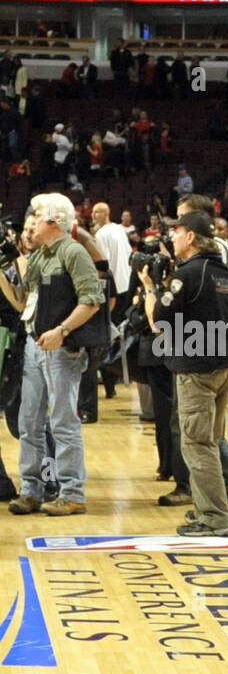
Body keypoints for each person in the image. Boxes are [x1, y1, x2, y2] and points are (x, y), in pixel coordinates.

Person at [139, 211, 228, 536]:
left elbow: (160, 321)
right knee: (209, 442)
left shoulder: (188, 274)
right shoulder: (222, 272)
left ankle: (214, 518)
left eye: (177, 231)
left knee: (197, 445)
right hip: (223, 366)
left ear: (192, 237)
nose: (172, 237)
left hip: (196, 369)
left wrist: (150, 288)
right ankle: (205, 511)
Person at [1, 194, 103, 516]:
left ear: (55, 220)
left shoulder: (74, 253)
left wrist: (62, 331)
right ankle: (32, 490)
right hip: (34, 345)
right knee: (29, 423)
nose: (33, 218)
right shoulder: (41, 256)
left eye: (39, 214)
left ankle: (73, 492)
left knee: (62, 423)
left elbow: (93, 300)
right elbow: (22, 303)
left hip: (62, 350)